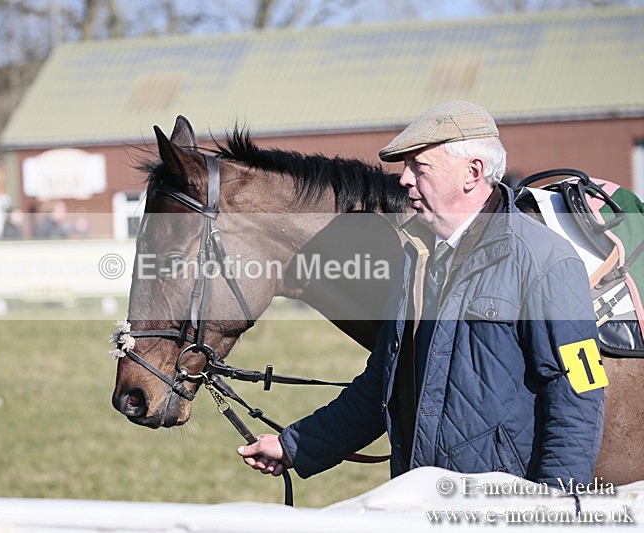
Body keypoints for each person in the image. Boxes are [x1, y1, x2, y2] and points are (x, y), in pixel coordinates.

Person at [237, 100, 605, 487]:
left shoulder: (545, 260)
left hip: (504, 506)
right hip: (419, 499)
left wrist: (559, 502)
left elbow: (579, 390)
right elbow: (382, 385)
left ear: (472, 172)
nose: (404, 179)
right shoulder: (416, 258)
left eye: (420, 167)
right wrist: (294, 445)